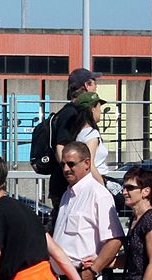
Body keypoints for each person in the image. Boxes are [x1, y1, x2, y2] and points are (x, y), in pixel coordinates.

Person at [52, 141, 124, 280]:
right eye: (63, 164)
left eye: (71, 164)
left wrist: (93, 270)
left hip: (86, 278)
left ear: (87, 163)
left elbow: (114, 239)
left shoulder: (98, 195)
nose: (66, 169)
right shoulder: (67, 196)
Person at [48, 67, 102, 228]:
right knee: (64, 227)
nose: (96, 87)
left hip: (67, 183)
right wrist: (70, 173)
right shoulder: (70, 113)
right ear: (87, 85)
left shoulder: (71, 111)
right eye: (94, 83)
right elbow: (61, 146)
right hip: (65, 184)